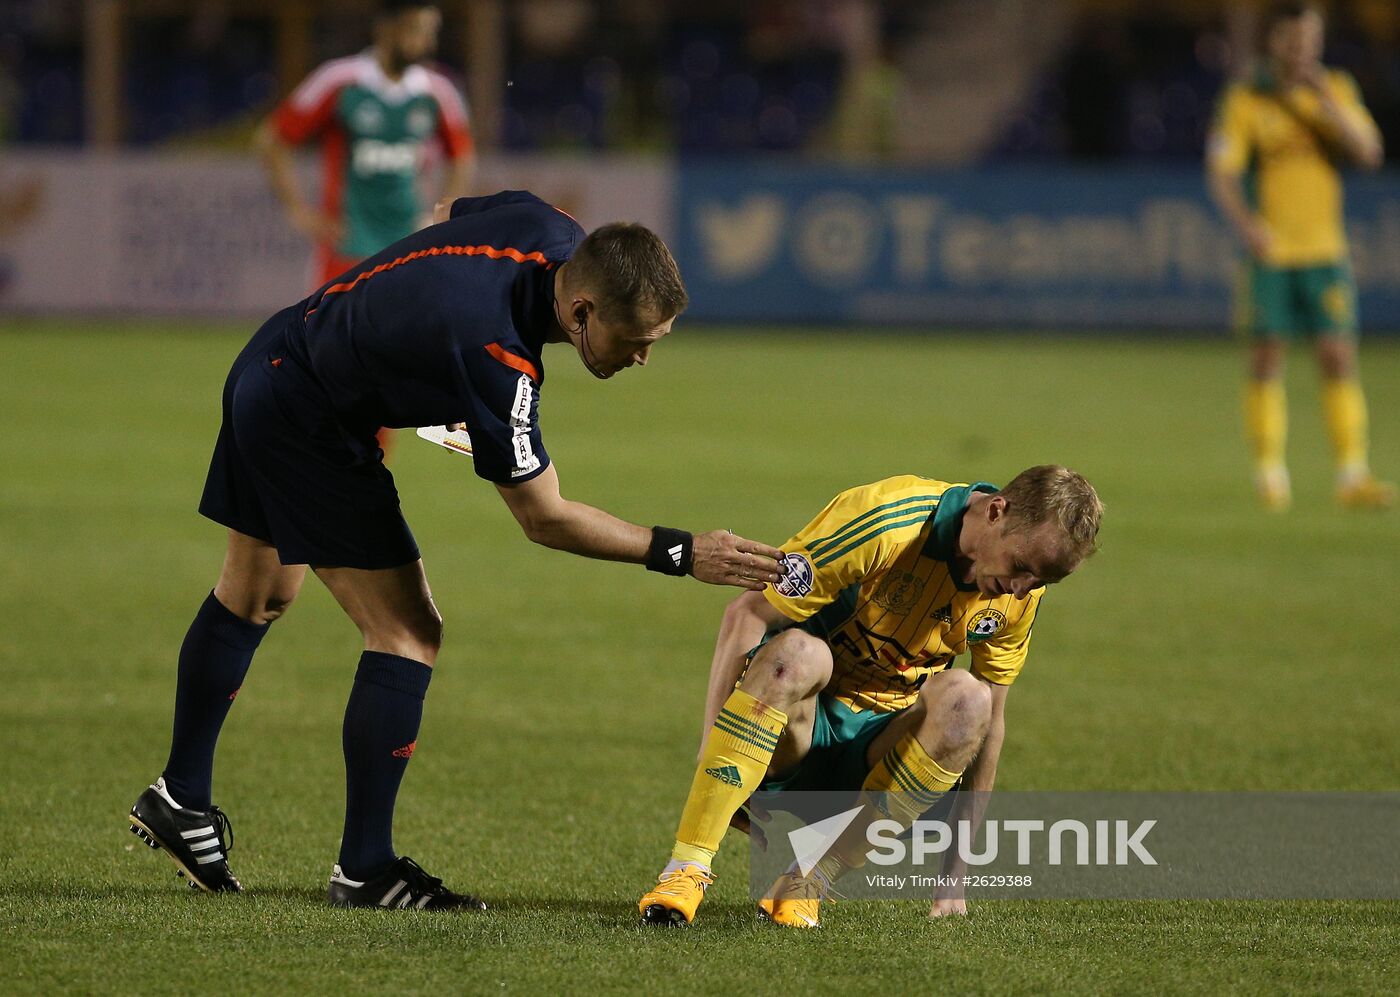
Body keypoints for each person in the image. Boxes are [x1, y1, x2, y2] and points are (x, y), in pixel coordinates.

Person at [126, 189, 787, 911]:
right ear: (582, 313)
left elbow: (442, 212)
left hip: (274, 360)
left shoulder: (548, 227)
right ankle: (366, 869)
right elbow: (546, 518)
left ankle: (180, 797)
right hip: (309, 418)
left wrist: (413, 336)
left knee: (256, 593)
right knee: (407, 632)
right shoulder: (498, 354)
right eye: (637, 340)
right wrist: (683, 552)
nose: (642, 358)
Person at [636, 466, 1102, 927]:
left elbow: (992, 723)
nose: (1022, 588)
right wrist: (709, 753)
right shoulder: (887, 520)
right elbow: (747, 614)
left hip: (876, 766)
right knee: (799, 652)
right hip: (789, 734)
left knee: (970, 698)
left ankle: (810, 882)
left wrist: (955, 872)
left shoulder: (1015, 597)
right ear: (997, 511)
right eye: (1021, 567)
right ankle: (684, 871)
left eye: (1040, 582)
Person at [1206, 0, 1392, 511]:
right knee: (1267, 358)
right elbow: (1221, 170)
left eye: (1310, 40)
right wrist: (1248, 226)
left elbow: (1370, 153)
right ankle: (1270, 474)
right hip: (1272, 254)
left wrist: (1325, 101)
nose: (1301, 49)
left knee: (1338, 356)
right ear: (1274, 42)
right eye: (1292, 40)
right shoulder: (1247, 98)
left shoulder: (1336, 89)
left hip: (1324, 250)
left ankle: (1352, 474)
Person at [256, 0, 475, 290]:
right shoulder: (339, 80)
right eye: (416, 29)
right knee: (331, 335)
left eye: (430, 32)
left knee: (406, 335)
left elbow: (462, 158)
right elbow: (272, 139)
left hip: (409, 248)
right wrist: (298, 210)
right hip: (347, 246)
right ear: (385, 29)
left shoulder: (438, 92)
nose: (426, 41)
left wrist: (441, 218)